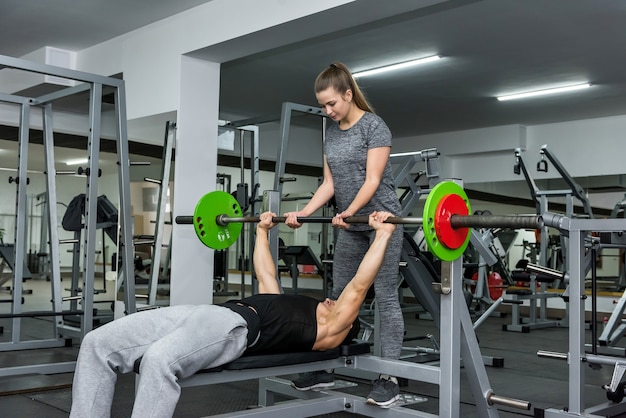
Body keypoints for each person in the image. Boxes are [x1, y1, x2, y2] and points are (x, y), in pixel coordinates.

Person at [69, 211, 397, 418]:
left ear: (348, 323)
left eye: (336, 303)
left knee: (158, 361)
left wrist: (381, 235)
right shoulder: (291, 311)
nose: (329, 299)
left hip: (232, 328)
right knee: (97, 343)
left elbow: (358, 285)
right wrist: (261, 232)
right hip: (205, 313)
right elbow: (267, 275)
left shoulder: (335, 326)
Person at [284, 62, 404, 406]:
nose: (328, 111)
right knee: (337, 298)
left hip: (383, 222)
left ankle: (389, 376)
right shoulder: (332, 133)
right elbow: (330, 183)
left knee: (384, 297)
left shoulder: (374, 127)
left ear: (348, 95)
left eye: (332, 103)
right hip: (350, 226)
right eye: (323, 105)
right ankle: (326, 367)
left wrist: (350, 211)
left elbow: (373, 180)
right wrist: (305, 212)